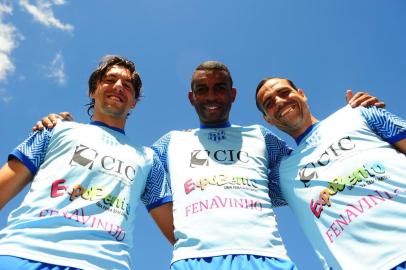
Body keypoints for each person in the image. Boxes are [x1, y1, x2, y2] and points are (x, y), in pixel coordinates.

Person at [32, 61, 380, 270]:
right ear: (191, 97)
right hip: (194, 261)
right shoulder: (167, 145)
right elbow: (127, 175)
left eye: (219, 88)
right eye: (202, 89)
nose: (211, 96)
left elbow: (307, 174)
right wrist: (63, 126)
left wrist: (350, 125)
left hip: (267, 257)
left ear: (232, 94)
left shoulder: (261, 137)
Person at [0, 55, 174, 270]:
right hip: (22, 252)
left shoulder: (149, 159)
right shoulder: (54, 129)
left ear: (134, 102)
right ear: (93, 91)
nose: (118, 86)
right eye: (110, 80)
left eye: (127, 85)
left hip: (102, 264)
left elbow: (177, 232)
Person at [255, 77, 406, 270]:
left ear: (301, 93)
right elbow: (236, 189)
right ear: (267, 119)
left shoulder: (361, 113)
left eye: (284, 92)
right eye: (269, 103)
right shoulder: (281, 177)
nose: (279, 101)